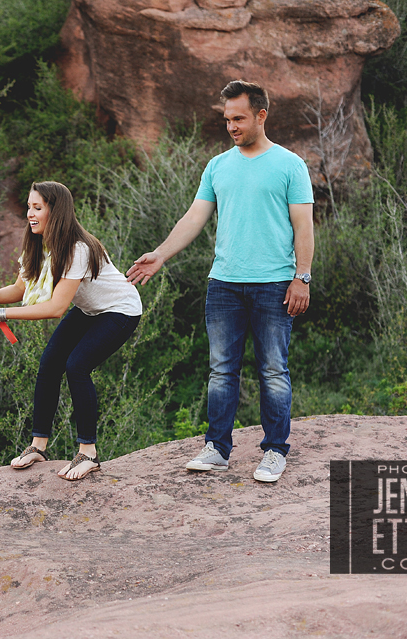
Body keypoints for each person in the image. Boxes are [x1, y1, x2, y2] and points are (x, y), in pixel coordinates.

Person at [125, 80, 314, 483]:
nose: (231, 126)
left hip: (274, 285)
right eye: (227, 119)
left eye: (239, 118)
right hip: (223, 284)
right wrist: (161, 254)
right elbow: (194, 217)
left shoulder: (289, 164)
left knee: (273, 370)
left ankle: (275, 450)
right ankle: (217, 448)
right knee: (221, 371)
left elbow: (304, 226)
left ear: (261, 115)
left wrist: (302, 278)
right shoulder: (218, 166)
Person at [0, 181, 142, 480]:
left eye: (37, 208)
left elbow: (54, 308)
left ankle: (88, 453)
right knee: (50, 363)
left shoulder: (78, 249)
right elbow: (19, 288)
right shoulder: (37, 243)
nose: (29, 214)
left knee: (77, 366)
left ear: (56, 210)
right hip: (90, 310)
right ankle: (38, 446)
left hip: (120, 310)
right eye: (28, 207)